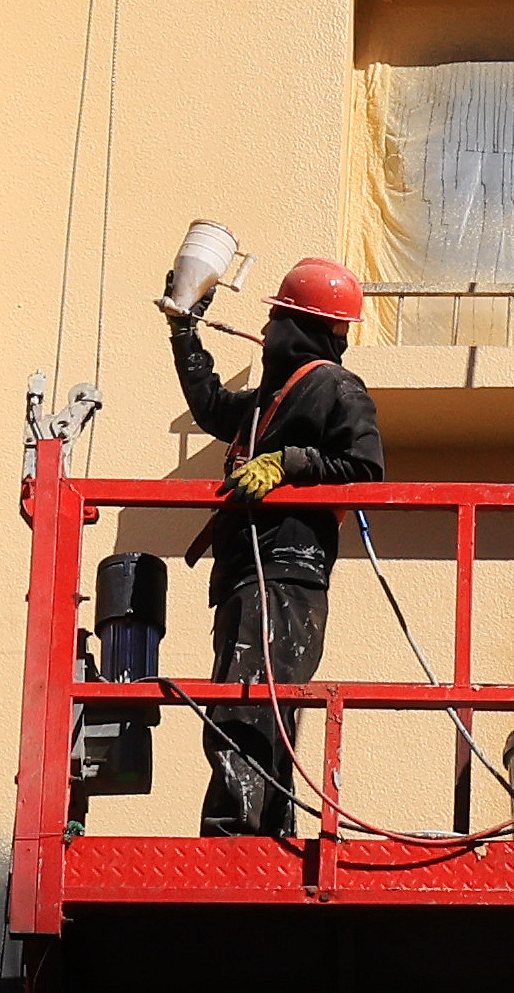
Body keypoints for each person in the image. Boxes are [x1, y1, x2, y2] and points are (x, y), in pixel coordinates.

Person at [160, 255, 382, 837]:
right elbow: (212, 406)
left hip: (285, 570)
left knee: (247, 702)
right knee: (255, 700)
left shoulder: (335, 388)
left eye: (277, 318)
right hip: (250, 570)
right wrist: (185, 333)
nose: (266, 330)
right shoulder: (269, 400)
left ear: (301, 328)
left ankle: (235, 836)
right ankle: (266, 830)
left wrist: (290, 462)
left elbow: (365, 468)